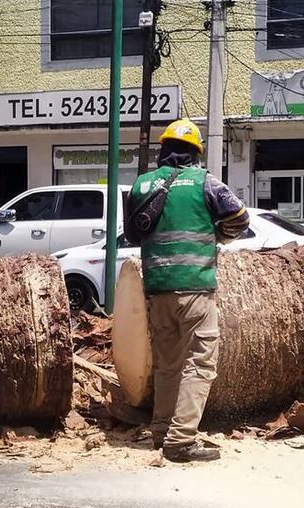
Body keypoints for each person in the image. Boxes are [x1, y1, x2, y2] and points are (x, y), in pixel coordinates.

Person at [130, 119, 249, 463]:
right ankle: (181, 440)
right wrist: (220, 238)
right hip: (195, 287)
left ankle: (161, 429)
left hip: (157, 288)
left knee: (167, 363)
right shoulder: (204, 182)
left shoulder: (141, 185)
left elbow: (135, 235)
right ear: (196, 152)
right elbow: (240, 218)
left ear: (163, 150)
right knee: (200, 362)